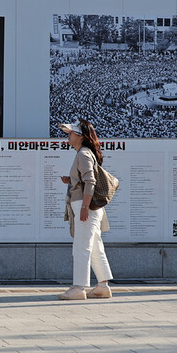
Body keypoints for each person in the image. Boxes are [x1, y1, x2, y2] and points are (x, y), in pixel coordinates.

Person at [58, 119, 114, 300]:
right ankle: (102, 286)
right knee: (95, 246)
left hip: (85, 205)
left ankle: (78, 287)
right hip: (90, 206)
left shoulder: (82, 154)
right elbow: (87, 180)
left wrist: (84, 207)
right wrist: (71, 180)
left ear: (80, 136)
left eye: (71, 133)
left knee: (81, 246)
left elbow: (91, 181)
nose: (68, 135)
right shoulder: (86, 153)